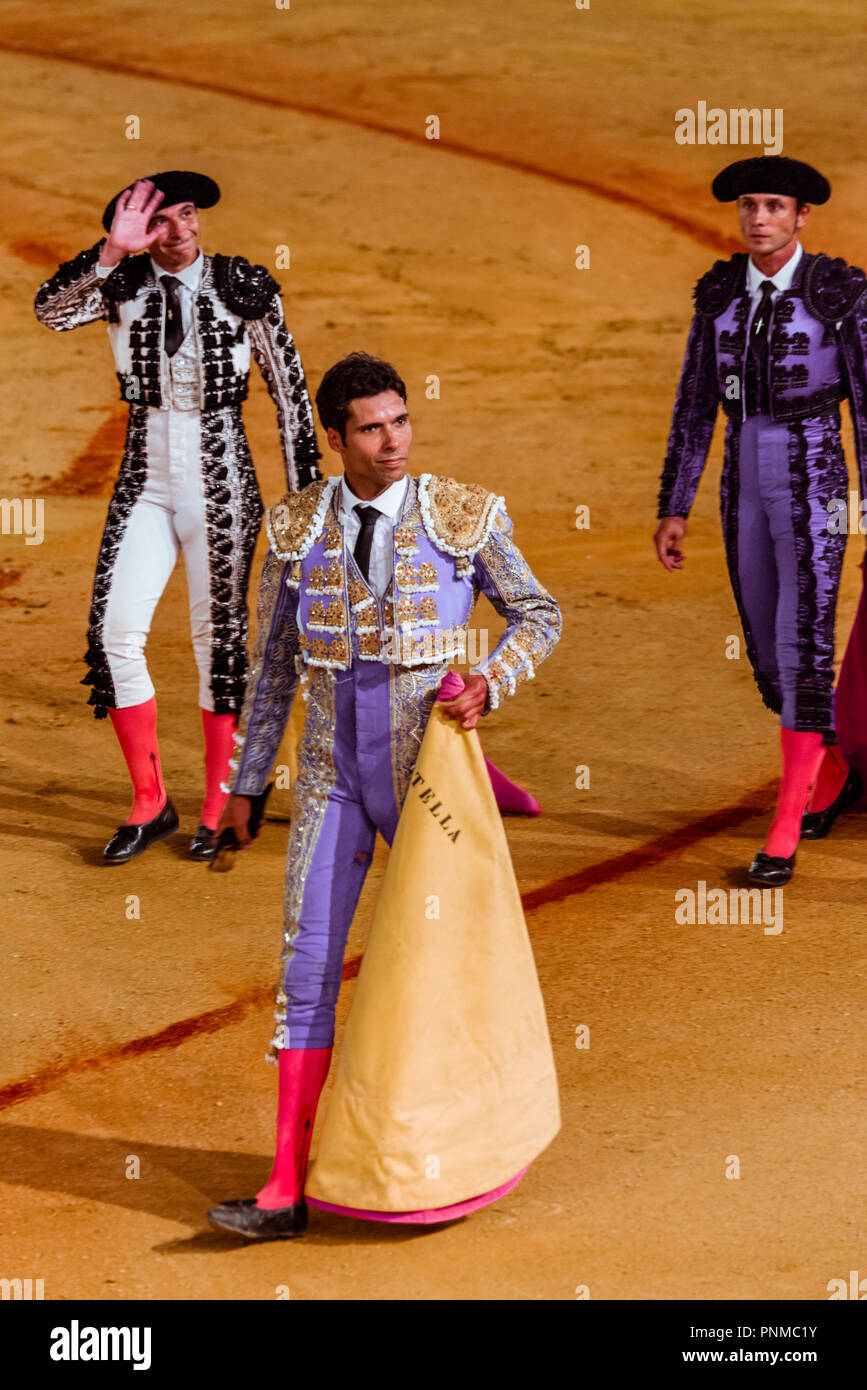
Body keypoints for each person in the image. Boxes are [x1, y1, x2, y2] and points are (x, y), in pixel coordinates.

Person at [206, 351, 561, 1239]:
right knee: (307, 968)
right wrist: (246, 782)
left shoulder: (460, 515)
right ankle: (286, 1182)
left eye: (399, 420)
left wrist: (488, 680)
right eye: (371, 427)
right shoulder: (292, 527)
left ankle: (463, 1157)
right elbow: (275, 664)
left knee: (450, 966)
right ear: (335, 437)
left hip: (425, 774)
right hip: (329, 775)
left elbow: (538, 613)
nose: (393, 440)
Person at [34, 171, 320, 862]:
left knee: (216, 644)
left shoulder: (244, 287)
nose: (184, 228)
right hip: (144, 483)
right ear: (138, 231)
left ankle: (219, 804)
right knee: (113, 636)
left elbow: (290, 398)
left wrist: (308, 507)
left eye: (188, 214)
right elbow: (51, 311)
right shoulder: (121, 284)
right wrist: (108, 253)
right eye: (164, 221)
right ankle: (150, 802)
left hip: (221, 483)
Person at [655, 156, 867, 885]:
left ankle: (783, 831)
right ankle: (830, 761)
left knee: (802, 641)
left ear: (802, 217)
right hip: (740, 477)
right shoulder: (717, 295)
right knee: (767, 654)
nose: (758, 219)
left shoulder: (839, 294)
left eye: (774, 206)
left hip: (813, 479)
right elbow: (693, 403)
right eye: (749, 205)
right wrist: (674, 505)